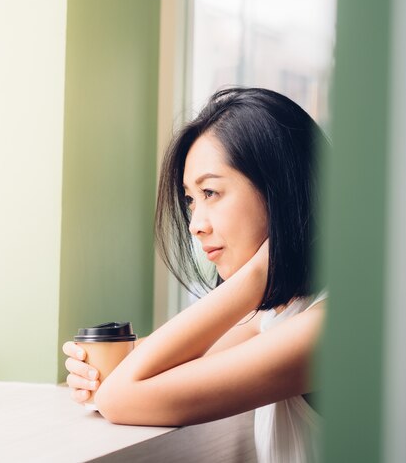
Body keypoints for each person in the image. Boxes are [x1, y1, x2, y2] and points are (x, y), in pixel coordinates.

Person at [63, 87, 330, 463]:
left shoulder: (327, 329)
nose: (195, 225)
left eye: (210, 192)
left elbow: (121, 397)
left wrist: (256, 274)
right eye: (191, 199)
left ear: (280, 191)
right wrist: (92, 371)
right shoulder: (280, 316)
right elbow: (133, 375)